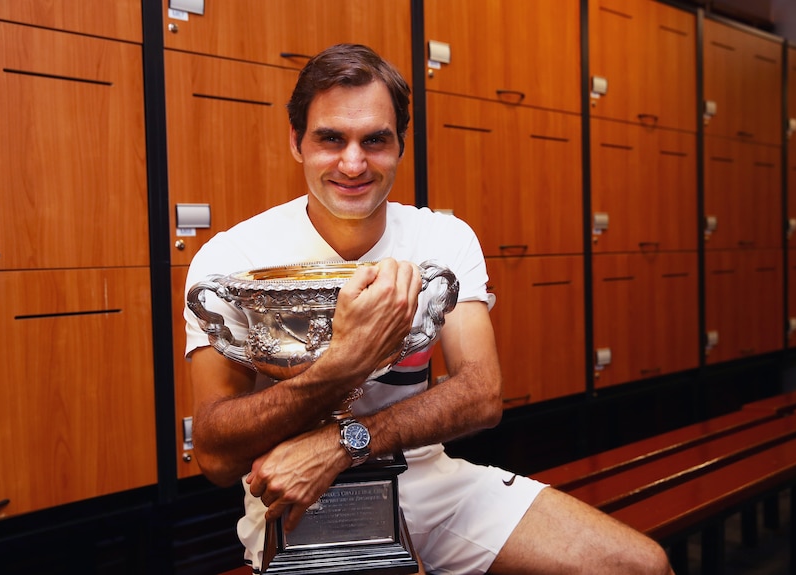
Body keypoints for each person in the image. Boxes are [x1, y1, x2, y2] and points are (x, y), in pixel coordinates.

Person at [184, 43, 674, 575]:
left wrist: (346, 442)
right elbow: (214, 453)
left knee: (641, 565)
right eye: (330, 138)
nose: (353, 163)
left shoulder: (441, 238)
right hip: (301, 497)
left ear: (400, 146)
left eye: (375, 140)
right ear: (297, 142)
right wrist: (344, 365)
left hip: (427, 478)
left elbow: (481, 393)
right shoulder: (236, 258)